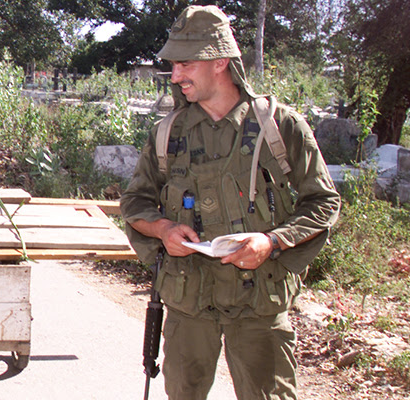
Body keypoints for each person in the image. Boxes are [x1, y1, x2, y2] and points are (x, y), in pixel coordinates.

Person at [120, 6, 341, 399]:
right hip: (189, 306)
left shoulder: (281, 127)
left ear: (220, 61)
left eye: (185, 63)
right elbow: (136, 202)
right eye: (173, 65)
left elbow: (323, 203)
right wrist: (164, 229)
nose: (175, 76)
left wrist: (270, 243)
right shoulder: (166, 135)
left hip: (259, 306)